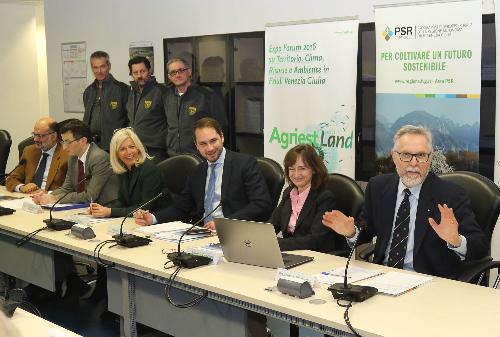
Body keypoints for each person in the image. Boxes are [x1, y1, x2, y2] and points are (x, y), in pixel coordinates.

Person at [322, 125, 488, 278]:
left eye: (421, 155)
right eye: (406, 155)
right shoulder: (378, 187)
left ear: (430, 159)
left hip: (429, 282)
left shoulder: (451, 195)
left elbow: (480, 246)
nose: (414, 163)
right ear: (394, 157)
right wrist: (351, 232)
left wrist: (456, 240)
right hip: (382, 276)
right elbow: (366, 230)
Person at [134, 117, 272, 229]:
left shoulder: (244, 164)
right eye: (203, 144)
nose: (210, 148)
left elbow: (261, 204)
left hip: (235, 233)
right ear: (196, 145)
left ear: (222, 137)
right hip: (202, 233)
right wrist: (152, 218)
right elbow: (181, 208)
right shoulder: (198, 171)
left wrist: (223, 223)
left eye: (213, 141)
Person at [270, 144, 340, 252]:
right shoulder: (288, 192)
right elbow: (273, 224)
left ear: (314, 169)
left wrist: (275, 244)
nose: (296, 174)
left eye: (302, 168)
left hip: (317, 257)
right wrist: (260, 239)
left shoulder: (325, 198)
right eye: (291, 169)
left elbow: (315, 240)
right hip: (290, 253)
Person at [31, 119, 118, 206]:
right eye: (63, 142)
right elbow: (66, 188)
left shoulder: (99, 158)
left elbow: (90, 196)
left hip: (106, 208)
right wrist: (46, 196)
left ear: (83, 141)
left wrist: (56, 198)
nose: (64, 147)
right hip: (84, 208)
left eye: (68, 142)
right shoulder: (73, 158)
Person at [89, 128, 162, 217]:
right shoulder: (125, 169)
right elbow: (122, 202)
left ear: (138, 148)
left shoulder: (149, 169)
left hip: (154, 222)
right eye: (122, 149)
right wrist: (100, 209)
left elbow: (145, 208)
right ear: (116, 154)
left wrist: (110, 211)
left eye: (132, 147)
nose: (129, 152)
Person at [164, 57, 227, 157]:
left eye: (181, 70)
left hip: (200, 156)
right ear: (169, 77)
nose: (177, 74)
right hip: (172, 156)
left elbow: (221, 125)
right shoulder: (166, 96)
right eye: (173, 72)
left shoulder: (207, 95)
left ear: (189, 72)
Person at [6, 117, 68, 193]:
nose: (35, 139)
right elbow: (12, 179)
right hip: (27, 199)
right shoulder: (29, 151)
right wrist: (22, 187)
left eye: (40, 136)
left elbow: (71, 188)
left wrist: (48, 193)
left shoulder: (67, 154)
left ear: (54, 136)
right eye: (34, 135)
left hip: (50, 201)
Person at [83, 51, 129, 151]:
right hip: (91, 146)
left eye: (102, 66)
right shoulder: (88, 91)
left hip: (114, 147)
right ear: (92, 68)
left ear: (109, 66)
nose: (99, 71)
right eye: (95, 67)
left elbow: (130, 121)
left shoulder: (123, 90)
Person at [126, 56, 168, 162]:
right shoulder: (131, 93)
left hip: (155, 150)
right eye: (135, 72)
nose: (139, 75)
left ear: (149, 71)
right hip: (135, 148)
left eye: (142, 71)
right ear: (131, 74)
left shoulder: (162, 91)